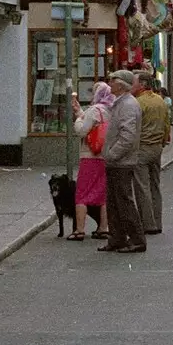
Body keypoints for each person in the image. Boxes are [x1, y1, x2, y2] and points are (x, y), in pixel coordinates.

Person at [100, 70, 146, 253]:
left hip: (122, 162)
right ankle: (117, 238)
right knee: (114, 202)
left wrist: (111, 154)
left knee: (124, 201)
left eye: (113, 81)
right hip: (117, 161)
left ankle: (136, 239)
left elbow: (127, 136)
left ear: (121, 85)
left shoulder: (127, 105)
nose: (109, 83)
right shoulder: (121, 103)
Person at [69, 82, 113, 241]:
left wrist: (78, 119)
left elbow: (82, 130)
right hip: (104, 156)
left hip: (90, 155)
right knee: (102, 193)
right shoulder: (110, 110)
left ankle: (79, 230)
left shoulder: (94, 110)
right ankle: (103, 227)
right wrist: (80, 112)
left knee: (82, 193)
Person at [132, 71, 169, 235]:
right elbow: (167, 123)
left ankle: (148, 223)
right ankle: (157, 220)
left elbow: (134, 127)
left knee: (142, 187)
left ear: (141, 85)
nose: (132, 85)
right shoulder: (160, 101)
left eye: (134, 83)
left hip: (142, 147)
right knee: (155, 185)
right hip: (157, 147)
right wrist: (163, 140)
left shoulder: (138, 103)